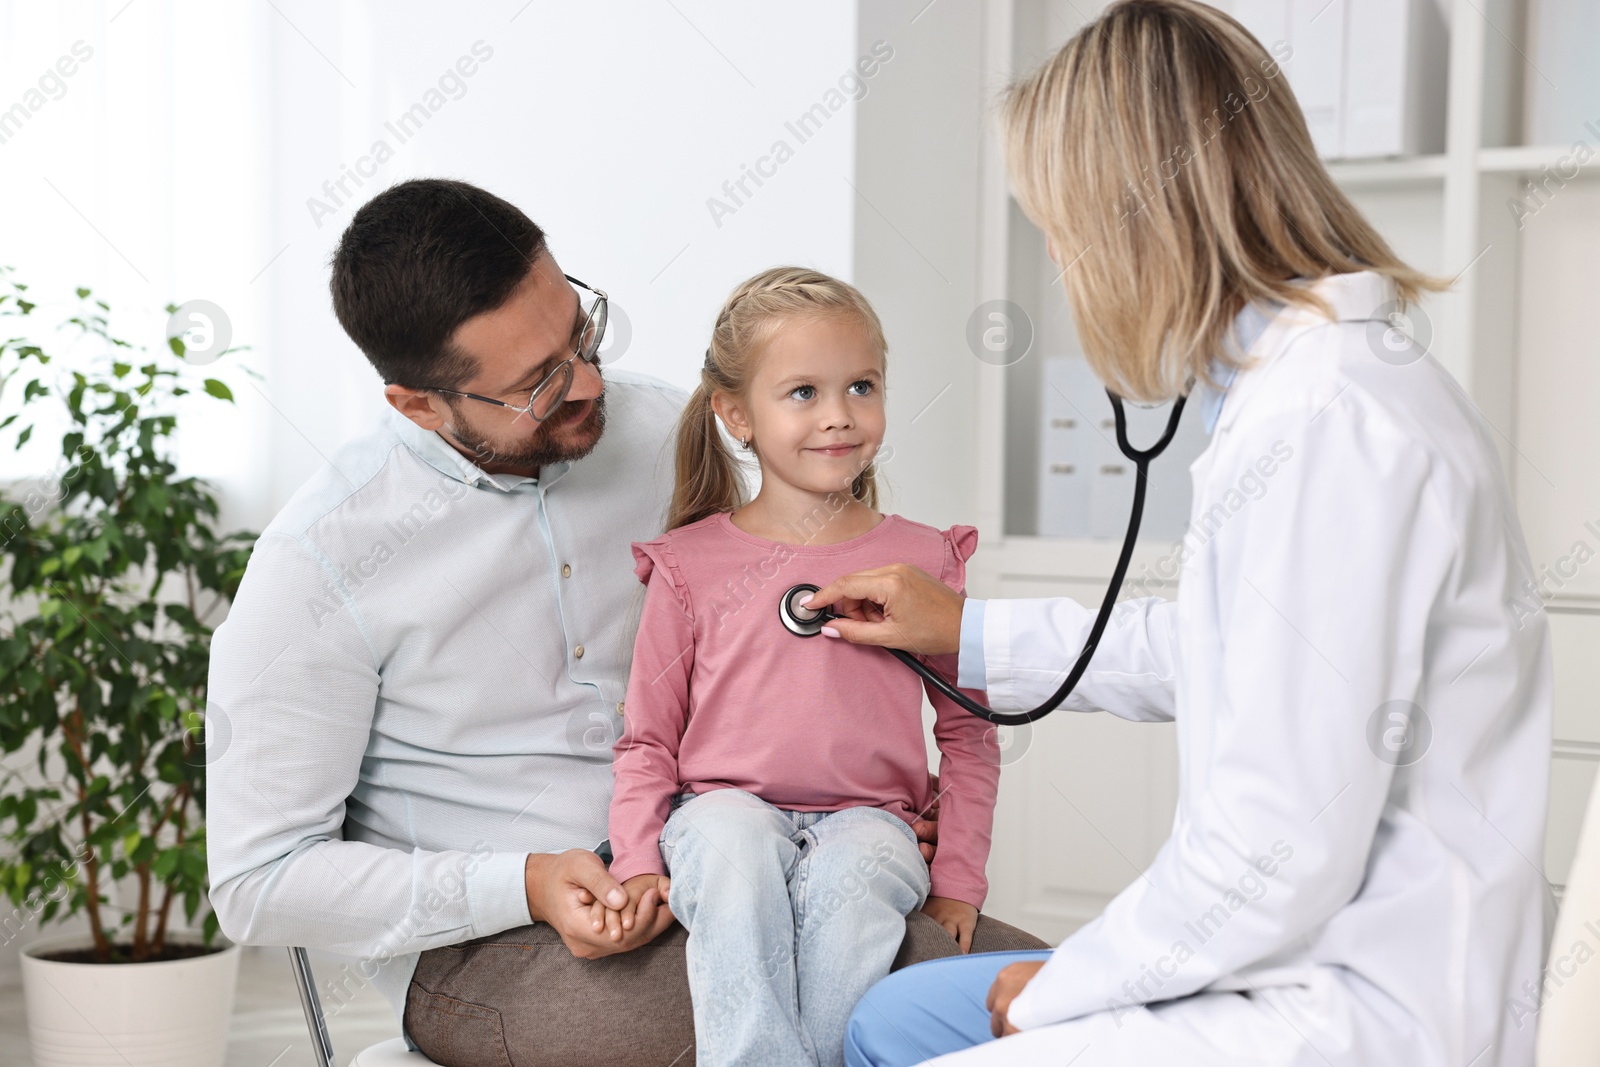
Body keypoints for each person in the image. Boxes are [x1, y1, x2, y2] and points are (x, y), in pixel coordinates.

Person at [811, 3, 1554, 1065]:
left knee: (931, 1030)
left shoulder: (1325, 421)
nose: (1065, 271)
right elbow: (1225, 650)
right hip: (1312, 957)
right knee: (892, 1019)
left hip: (1359, 1004)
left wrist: (1069, 982)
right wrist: (962, 630)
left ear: (1133, 224)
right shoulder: (1301, 390)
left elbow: (1271, 854)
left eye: (1060, 235)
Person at [205, 179, 1046, 1066]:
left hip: (742, 857)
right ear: (419, 403)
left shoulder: (657, 430)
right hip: (497, 950)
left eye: (581, 334)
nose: (590, 383)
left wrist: (869, 795)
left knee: (1064, 1000)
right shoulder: (321, 559)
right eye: (538, 385)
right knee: (922, 1020)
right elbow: (258, 883)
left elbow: (769, 632)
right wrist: (522, 882)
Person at [602, 267, 1002, 1067]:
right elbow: (647, 739)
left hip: (873, 817)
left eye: (861, 385)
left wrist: (958, 877)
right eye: (803, 394)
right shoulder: (690, 565)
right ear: (735, 415)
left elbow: (970, 735)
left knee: (859, 886)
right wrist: (640, 855)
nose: (839, 417)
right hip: (723, 806)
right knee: (729, 853)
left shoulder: (923, 561)